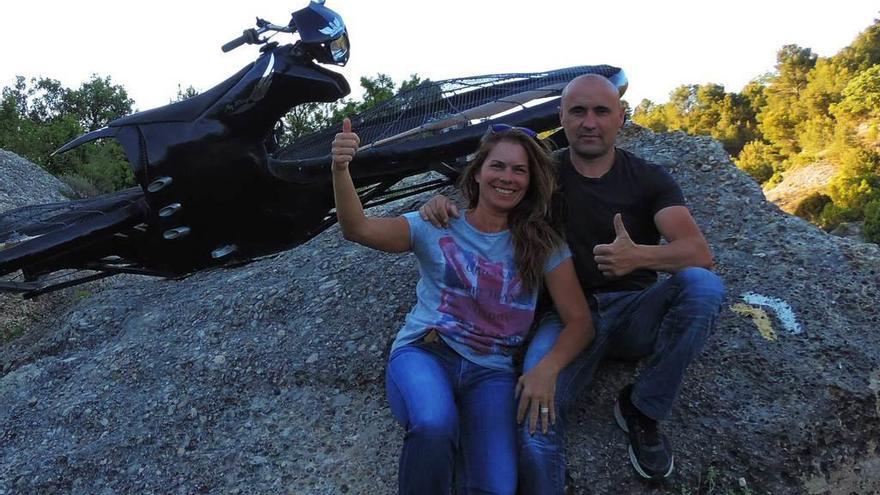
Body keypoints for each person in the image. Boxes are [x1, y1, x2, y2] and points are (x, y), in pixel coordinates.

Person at [419, 74, 725, 491]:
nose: (589, 122)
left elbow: (698, 253)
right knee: (533, 420)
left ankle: (643, 409)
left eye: (601, 111)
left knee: (704, 287)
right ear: (561, 117)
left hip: (636, 312)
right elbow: (490, 203)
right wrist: (439, 206)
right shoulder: (544, 172)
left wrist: (641, 255)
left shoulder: (648, 178)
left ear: (621, 116)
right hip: (565, 319)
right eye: (577, 111)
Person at [330, 118, 594, 494]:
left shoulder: (544, 245)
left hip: (492, 375)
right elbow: (358, 228)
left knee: (498, 488)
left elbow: (580, 321)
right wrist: (341, 169)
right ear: (478, 173)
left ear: (531, 181)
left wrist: (547, 370)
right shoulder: (437, 224)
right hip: (426, 353)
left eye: (520, 170)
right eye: (497, 166)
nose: (507, 177)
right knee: (434, 424)